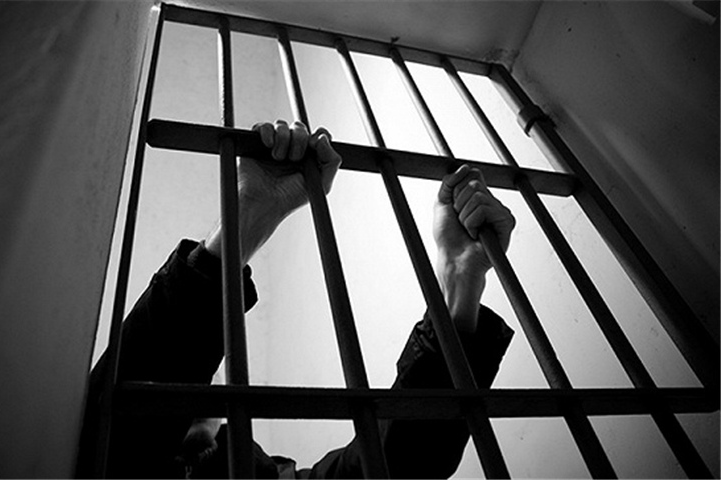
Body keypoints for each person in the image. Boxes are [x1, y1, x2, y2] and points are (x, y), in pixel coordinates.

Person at [78, 120, 516, 479]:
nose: (194, 391)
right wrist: (247, 214)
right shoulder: (65, 450)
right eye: (193, 380)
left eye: (202, 380)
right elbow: (113, 428)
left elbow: (389, 469)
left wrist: (459, 284)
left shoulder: (262, 473)